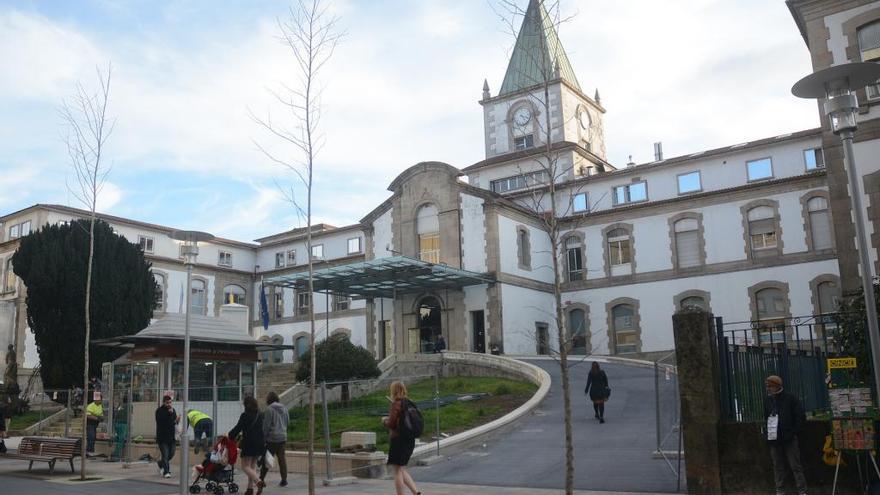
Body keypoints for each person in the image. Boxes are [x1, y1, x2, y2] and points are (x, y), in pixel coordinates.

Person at [764, 375, 807, 495]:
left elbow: (800, 417)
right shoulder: (767, 401)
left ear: (777, 386)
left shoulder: (790, 399)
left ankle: (802, 491)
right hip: (774, 439)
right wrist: (768, 434)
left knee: (795, 466)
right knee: (777, 466)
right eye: (767, 386)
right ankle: (780, 490)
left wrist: (793, 432)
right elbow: (766, 418)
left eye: (770, 386)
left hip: (789, 438)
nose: (768, 389)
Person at [383, 381, 421, 495]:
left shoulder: (397, 404)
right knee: (401, 468)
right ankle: (416, 492)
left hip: (399, 440)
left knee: (397, 471)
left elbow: (392, 424)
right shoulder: (410, 403)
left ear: (393, 391)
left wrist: (384, 421)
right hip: (410, 439)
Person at [229, 396, 266, 495]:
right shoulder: (261, 414)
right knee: (252, 466)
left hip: (249, 443)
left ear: (246, 405)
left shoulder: (245, 415)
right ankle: (250, 489)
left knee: (245, 467)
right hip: (260, 443)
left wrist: (230, 436)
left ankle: (258, 482)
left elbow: (238, 428)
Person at [260, 391, 289, 487]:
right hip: (283, 437)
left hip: (272, 438)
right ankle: (284, 480)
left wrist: (263, 438)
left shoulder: (269, 409)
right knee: (282, 459)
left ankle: (261, 479)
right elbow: (288, 421)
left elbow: (266, 426)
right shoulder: (284, 408)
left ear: (269, 399)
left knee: (268, 459)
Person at [155, 395, 179, 478]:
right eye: (167, 403)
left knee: (171, 453)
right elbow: (161, 422)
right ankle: (166, 471)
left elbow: (174, 422)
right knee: (165, 454)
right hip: (162, 437)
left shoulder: (173, 411)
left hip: (171, 437)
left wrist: (176, 420)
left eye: (170, 402)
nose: (169, 404)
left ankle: (161, 463)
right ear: (164, 402)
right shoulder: (159, 411)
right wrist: (169, 414)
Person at [112, 394, 129, 461]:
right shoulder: (130, 406)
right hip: (123, 425)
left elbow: (116, 416)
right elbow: (130, 416)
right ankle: (116, 455)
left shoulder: (120, 406)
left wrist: (115, 424)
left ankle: (113, 439)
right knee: (121, 440)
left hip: (117, 424)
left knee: (120, 438)